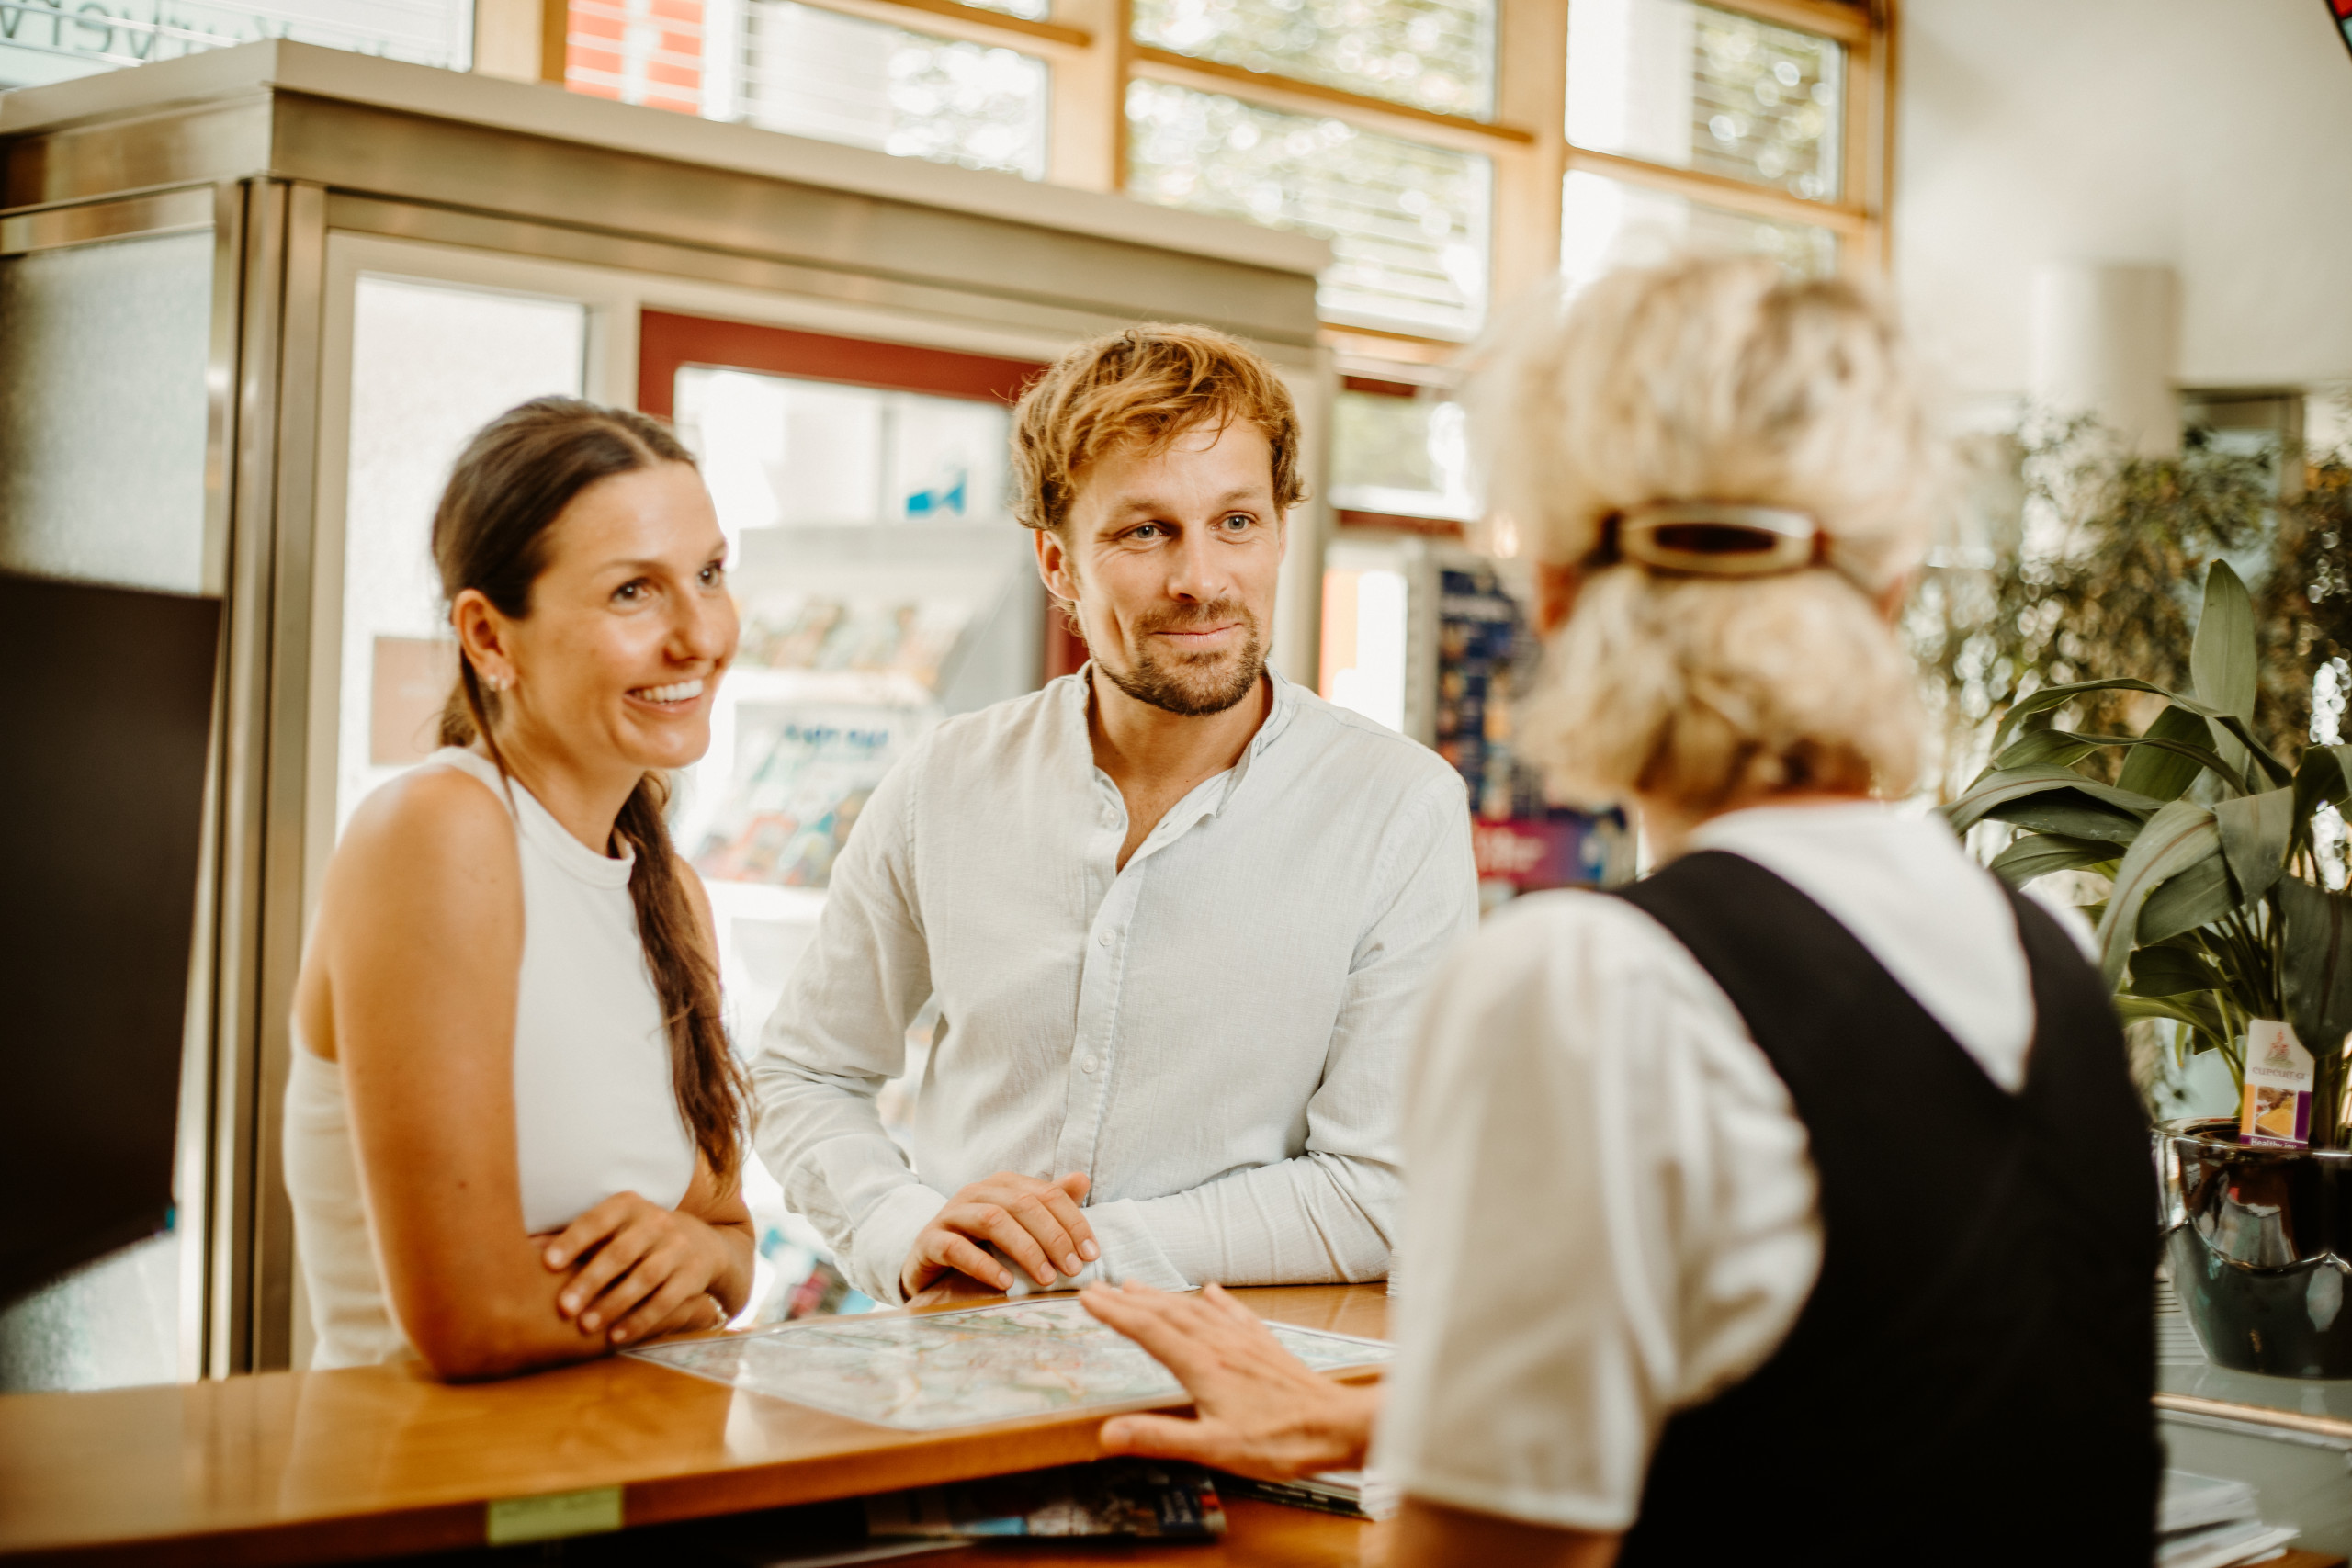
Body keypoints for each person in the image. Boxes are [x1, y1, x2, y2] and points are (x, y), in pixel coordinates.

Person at [1081, 258, 2159, 1563]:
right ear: (1886, 588)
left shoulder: (1597, 984)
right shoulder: (2043, 956)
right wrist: (1406, 1416)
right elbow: (1880, 1394)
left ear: (1556, 599)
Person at [752, 324, 1479, 1308]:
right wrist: (904, 1225)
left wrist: (1067, 1253)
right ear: (1057, 564)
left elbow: (1385, 1192)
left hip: (1222, 1410)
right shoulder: (946, 783)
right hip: (951, 1381)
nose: (1201, 580)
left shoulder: (1397, 808)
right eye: (1144, 531)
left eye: (1236, 522)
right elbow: (804, 1073)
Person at [286, 398, 756, 1379]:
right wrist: (687, 1304)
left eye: (709, 575)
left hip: (623, 1481)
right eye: (633, 593)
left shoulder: (669, 893)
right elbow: (473, 1316)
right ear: (489, 638)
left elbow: (731, 1243)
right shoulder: (437, 832)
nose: (698, 636)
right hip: (435, 1499)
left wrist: (699, 1255)